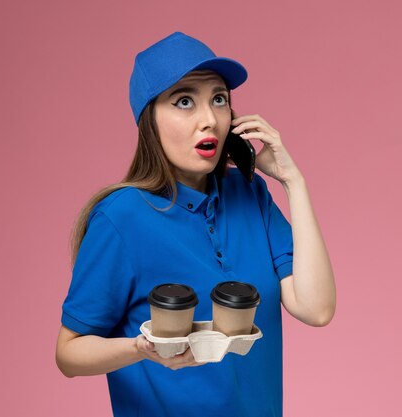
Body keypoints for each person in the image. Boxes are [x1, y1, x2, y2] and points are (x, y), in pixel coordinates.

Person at [55, 32, 336, 417]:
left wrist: (293, 181)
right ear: (149, 120)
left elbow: (316, 309)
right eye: (184, 101)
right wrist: (141, 350)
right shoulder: (120, 218)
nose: (210, 119)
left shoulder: (249, 193)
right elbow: (69, 353)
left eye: (219, 99)